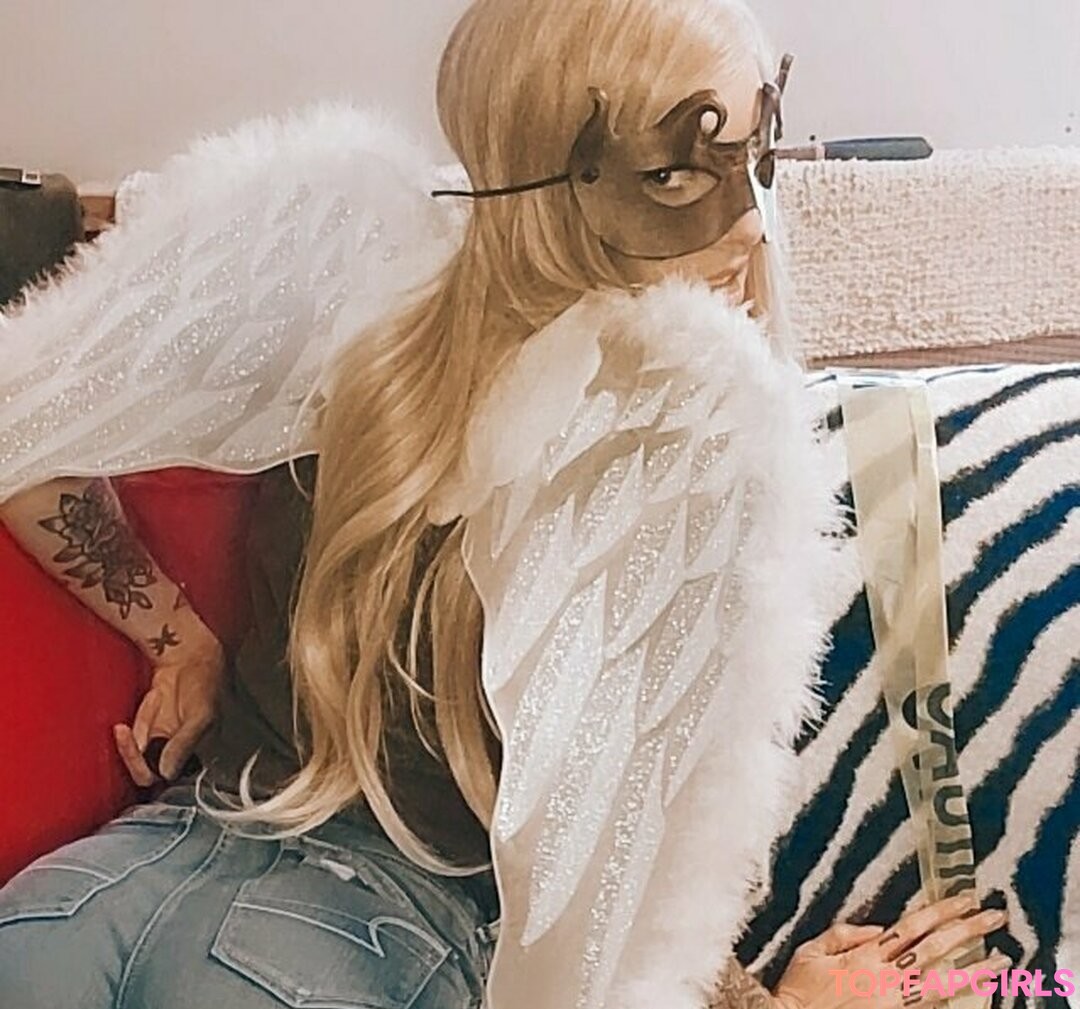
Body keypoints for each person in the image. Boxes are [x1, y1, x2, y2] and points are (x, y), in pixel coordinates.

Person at [0, 0, 1010, 1006]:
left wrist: (177, 636)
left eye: (759, 151)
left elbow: (25, 430)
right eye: (676, 171)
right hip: (352, 950)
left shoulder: (357, 313)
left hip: (90, 897)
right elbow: (614, 905)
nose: (748, 221)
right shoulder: (680, 441)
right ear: (560, 177)